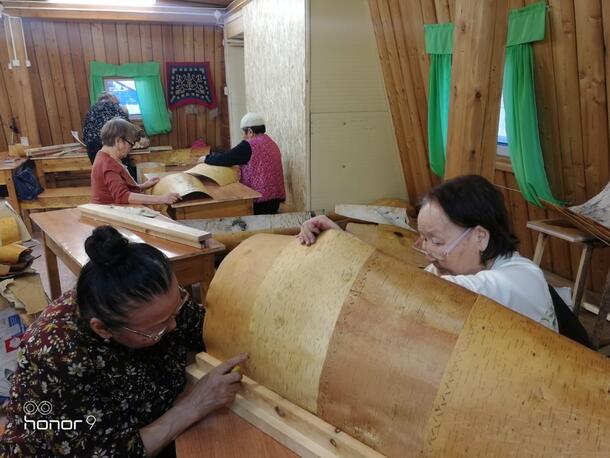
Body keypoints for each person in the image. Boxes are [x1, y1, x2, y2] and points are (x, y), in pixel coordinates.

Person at [0, 225, 246, 457]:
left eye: (176, 309)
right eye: (157, 328)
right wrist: (194, 405)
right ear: (103, 328)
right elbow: (109, 452)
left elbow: (202, 330)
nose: (173, 325)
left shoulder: (152, 301)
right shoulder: (55, 355)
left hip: (154, 422)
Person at [297, 175, 558, 331]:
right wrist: (342, 244)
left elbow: (419, 292)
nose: (427, 252)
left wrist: (349, 253)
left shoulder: (521, 279)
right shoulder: (450, 266)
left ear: (480, 236)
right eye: (423, 239)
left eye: (435, 240)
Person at [199, 112, 286, 215]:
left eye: (243, 133)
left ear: (250, 131)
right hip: (275, 200)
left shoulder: (249, 145)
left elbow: (225, 158)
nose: (243, 136)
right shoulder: (271, 142)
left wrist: (205, 158)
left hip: (259, 202)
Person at [90, 118, 180, 205]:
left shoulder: (104, 156)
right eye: (131, 144)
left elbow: (120, 188)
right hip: (109, 212)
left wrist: (143, 186)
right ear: (119, 141)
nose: (131, 148)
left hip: (112, 208)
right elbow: (122, 196)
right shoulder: (108, 164)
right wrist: (162, 199)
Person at [82, 92, 149, 177]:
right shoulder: (114, 107)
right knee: (124, 174)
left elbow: (85, 135)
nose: (119, 104)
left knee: (102, 175)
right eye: (118, 102)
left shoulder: (92, 109)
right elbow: (128, 127)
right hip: (111, 146)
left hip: (92, 147)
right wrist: (141, 138)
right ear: (112, 99)